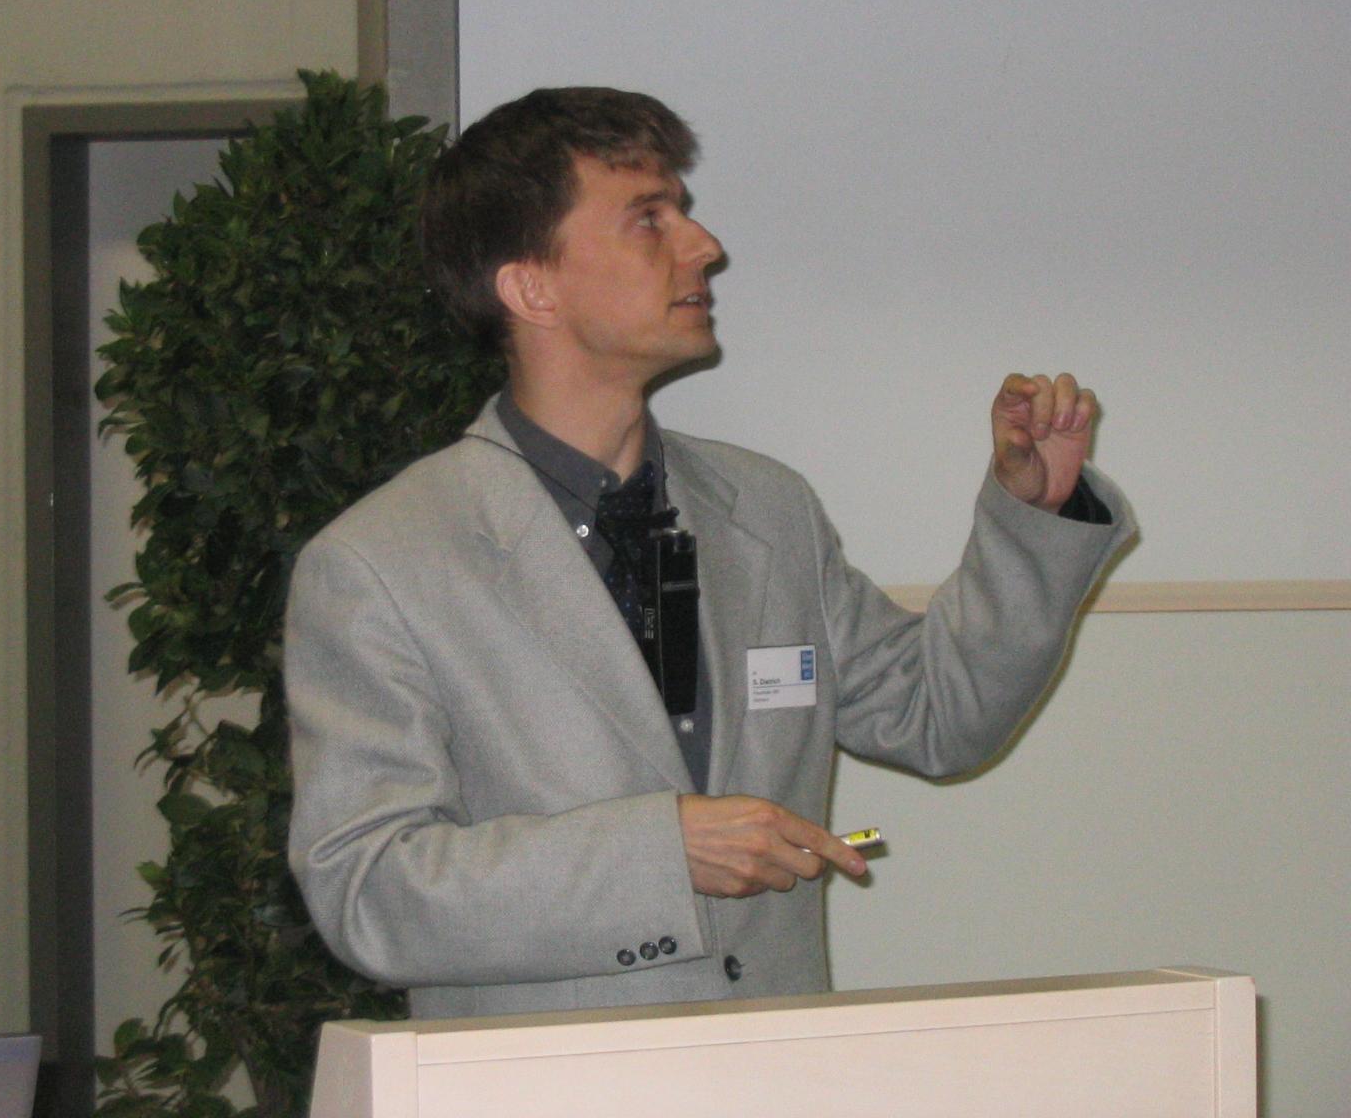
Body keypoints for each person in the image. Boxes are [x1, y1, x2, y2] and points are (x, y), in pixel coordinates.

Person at [284, 87, 1133, 1019]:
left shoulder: (766, 509)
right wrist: (660, 856)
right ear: (531, 288)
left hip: (775, 1068)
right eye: (649, 218)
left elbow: (939, 717)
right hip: (550, 1082)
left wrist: (1034, 516)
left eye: (682, 212)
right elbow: (367, 892)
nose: (705, 245)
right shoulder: (382, 563)